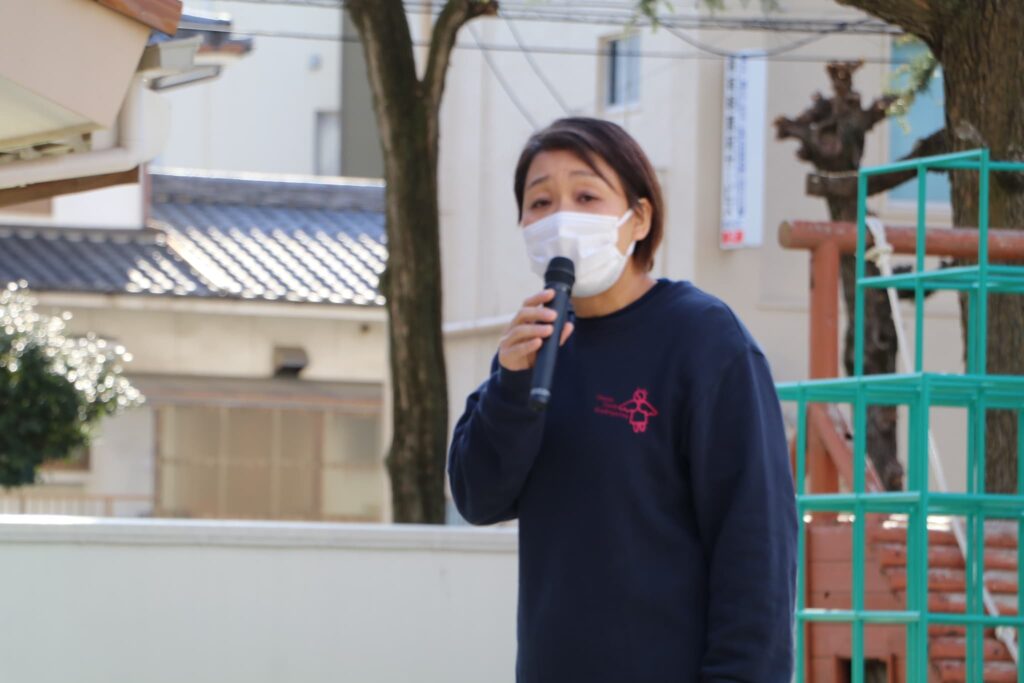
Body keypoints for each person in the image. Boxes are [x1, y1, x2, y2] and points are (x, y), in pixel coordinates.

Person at [447, 117, 797, 683]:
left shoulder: (704, 340)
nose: (561, 217)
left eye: (586, 196)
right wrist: (510, 384)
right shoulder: (534, 346)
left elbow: (756, 545)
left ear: (640, 217)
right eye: (540, 202)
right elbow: (477, 498)